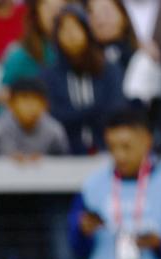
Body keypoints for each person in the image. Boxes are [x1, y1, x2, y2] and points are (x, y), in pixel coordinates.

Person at [0, 77, 71, 259]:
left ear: (45, 104)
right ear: (10, 103)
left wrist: (44, 166)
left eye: (36, 100)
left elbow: (64, 165)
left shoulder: (54, 132)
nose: (30, 106)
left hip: (34, 208)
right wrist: (6, 164)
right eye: (23, 99)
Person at [72, 107, 161, 259]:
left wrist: (160, 245)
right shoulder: (93, 185)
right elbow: (77, 248)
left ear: (147, 140)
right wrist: (83, 231)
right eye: (112, 147)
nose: (119, 155)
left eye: (127, 147)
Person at [42, 3, 125, 154]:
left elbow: (115, 110)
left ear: (87, 31)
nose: (71, 35)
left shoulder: (108, 69)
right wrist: (92, 111)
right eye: (64, 30)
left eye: (76, 28)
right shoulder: (49, 75)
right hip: (64, 153)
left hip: (106, 150)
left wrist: (76, 114)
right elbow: (53, 116)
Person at [1, 0, 64, 86]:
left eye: (59, 8)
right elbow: (4, 93)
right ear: (36, 13)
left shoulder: (78, 53)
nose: (55, 14)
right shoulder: (19, 56)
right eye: (49, 8)